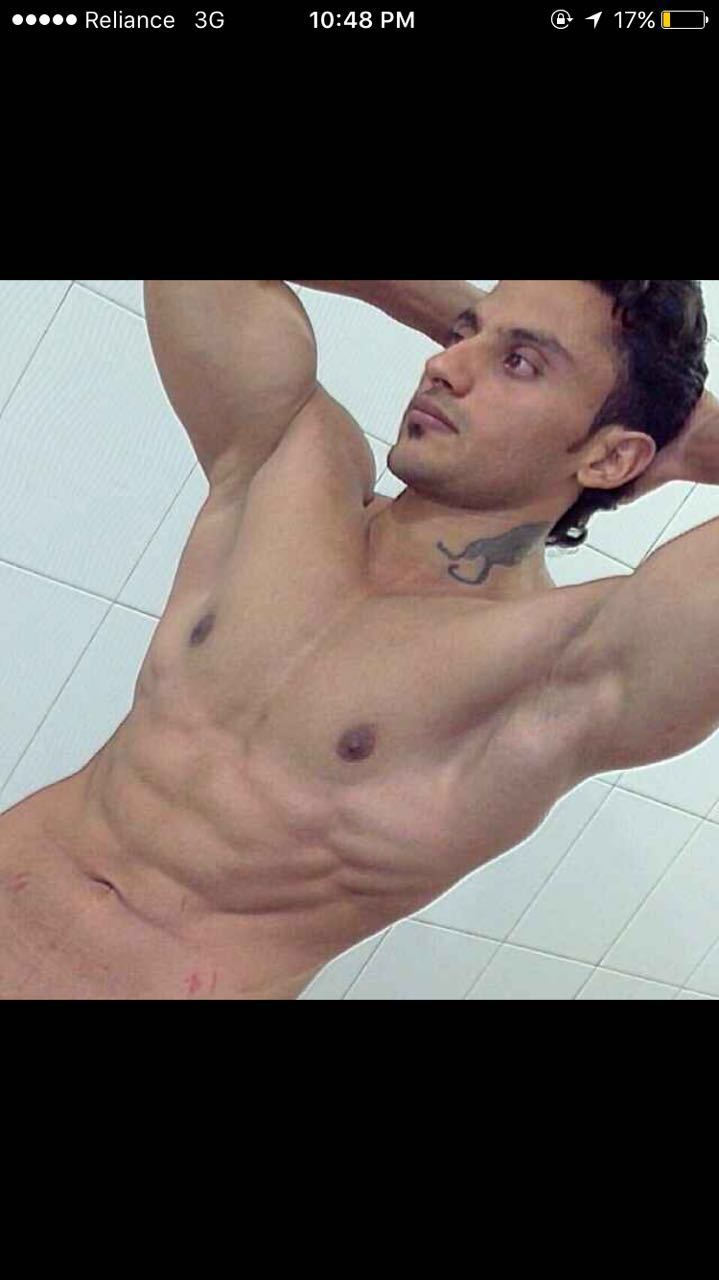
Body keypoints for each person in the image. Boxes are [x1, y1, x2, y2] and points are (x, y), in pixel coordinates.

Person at [0, 279, 715, 1000]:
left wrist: (690, 437)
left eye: (520, 363)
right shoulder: (289, 465)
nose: (443, 366)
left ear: (611, 459)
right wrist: (467, 319)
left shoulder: (565, 666)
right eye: (462, 334)